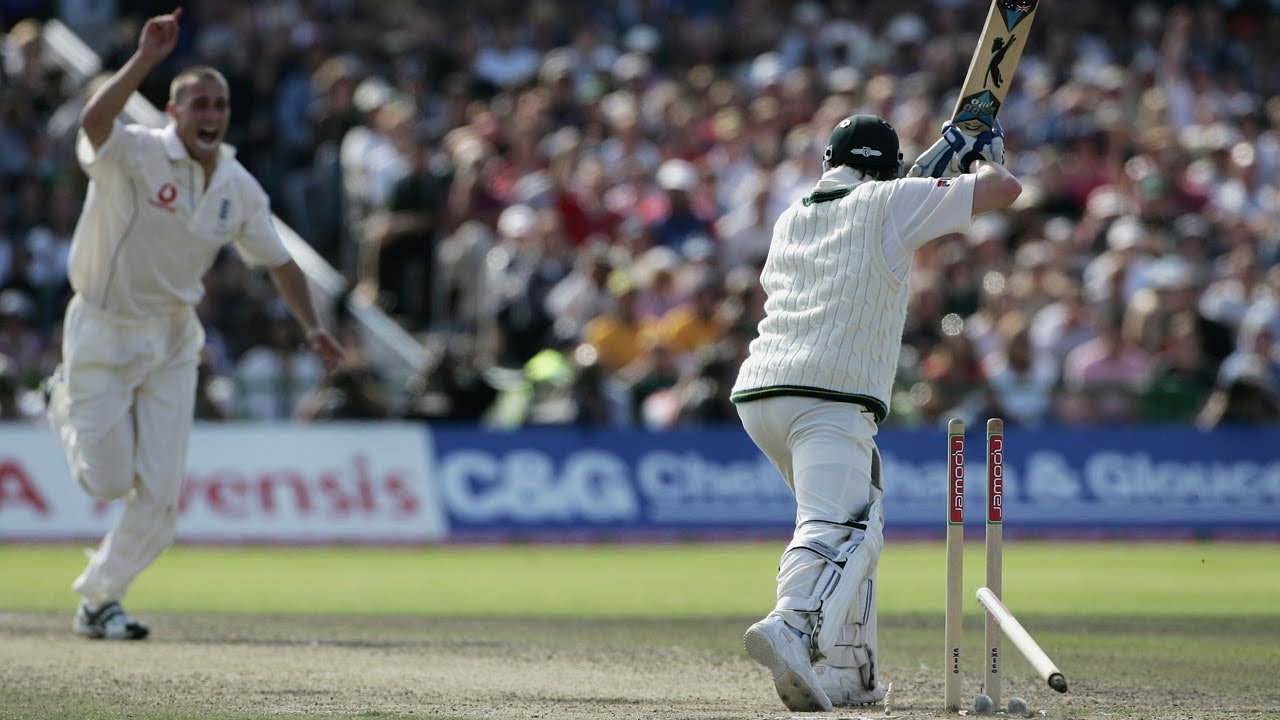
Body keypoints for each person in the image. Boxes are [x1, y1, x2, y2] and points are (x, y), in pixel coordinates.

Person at [43, 8, 345, 640]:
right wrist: (146, 59)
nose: (211, 114)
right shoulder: (135, 151)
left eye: (220, 105)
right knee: (108, 480)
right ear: (174, 111)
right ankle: (61, 400)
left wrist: (313, 327)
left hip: (173, 337)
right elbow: (94, 122)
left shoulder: (237, 184)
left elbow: (280, 261)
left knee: (161, 500)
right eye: (199, 104)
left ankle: (100, 599)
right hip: (102, 325)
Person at [730, 114, 1021, 711]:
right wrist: (979, 157)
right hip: (829, 394)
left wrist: (940, 167)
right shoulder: (891, 202)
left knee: (861, 518)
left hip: (762, 394)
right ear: (890, 169)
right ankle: (792, 625)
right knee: (842, 527)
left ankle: (849, 673)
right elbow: (1004, 189)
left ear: (829, 161)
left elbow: (890, 212)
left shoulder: (793, 214)